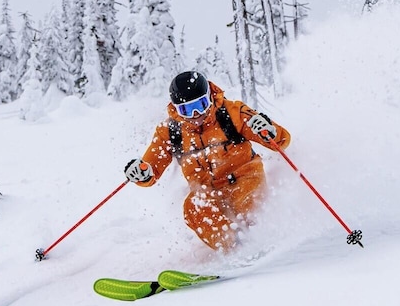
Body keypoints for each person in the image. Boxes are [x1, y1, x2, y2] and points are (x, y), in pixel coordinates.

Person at [124, 71, 291, 251]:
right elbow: (151, 168)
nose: (196, 114)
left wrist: (269, 131)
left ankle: (260, 240)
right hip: (209, 193)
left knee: (247, 207)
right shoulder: (171, 132)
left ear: (210, 98)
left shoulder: (232, 113)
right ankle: (233, 249)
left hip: (245, 180)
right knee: (193, 206)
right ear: (176, 109)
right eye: (186, 110)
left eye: (201, 105)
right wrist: (143, 173)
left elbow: (280, 142)